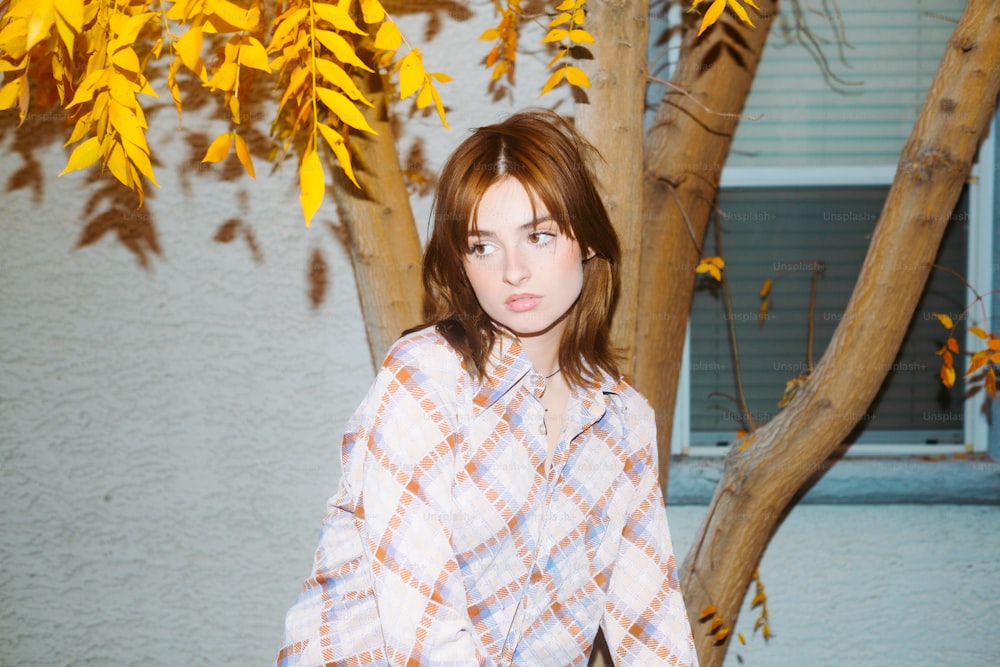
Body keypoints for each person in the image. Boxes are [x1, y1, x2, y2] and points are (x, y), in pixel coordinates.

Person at [275, 109, 698, 666]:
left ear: (588, 242)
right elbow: (419, 631)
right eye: (483, 246)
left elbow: (652, 625)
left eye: (539, 236)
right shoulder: (426, 379)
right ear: (462, 264)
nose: (513, 270)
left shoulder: (623, 421)